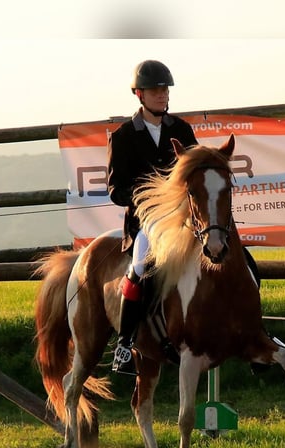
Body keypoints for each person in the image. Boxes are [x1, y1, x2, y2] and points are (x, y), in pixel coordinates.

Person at [107, 59, 198, 375]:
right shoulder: (122, 137)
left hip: (183, 220)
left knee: (222, 254)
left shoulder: (182, 131)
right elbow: (116, 189)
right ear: (139, 94)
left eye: (165, 90)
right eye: (155, 90)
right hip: (146, 223)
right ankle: (124, 344)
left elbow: (196, 176)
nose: (162, 95)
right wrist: (148, 199)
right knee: (141, 266)